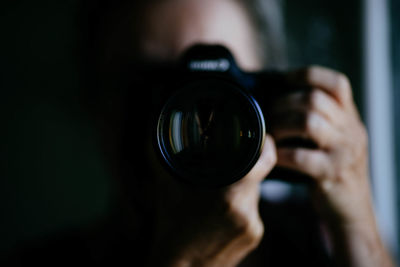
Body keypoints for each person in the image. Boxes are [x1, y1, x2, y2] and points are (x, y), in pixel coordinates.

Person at [5, 0, 395, 266]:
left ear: (266, 101)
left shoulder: (314, 240)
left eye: (219, 94)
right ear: (93, 99)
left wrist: (359, 232)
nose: (185, 118)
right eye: (147, 86)